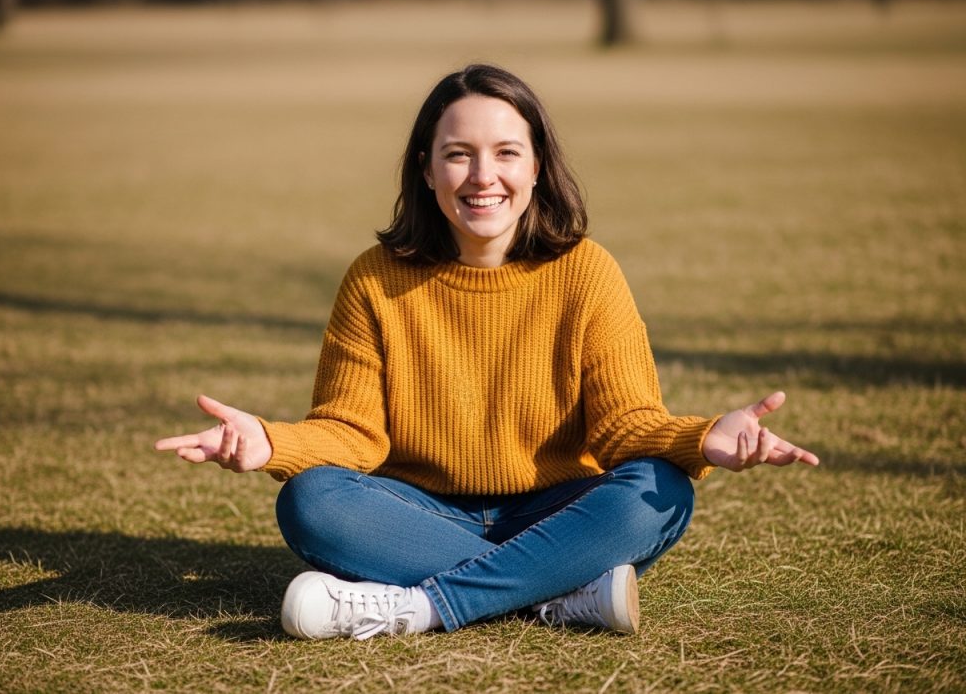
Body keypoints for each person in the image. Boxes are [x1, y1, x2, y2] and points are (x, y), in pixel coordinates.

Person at [154, 64, 819, 641]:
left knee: (658, 489)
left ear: (536, 166)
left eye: (506, 152)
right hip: (417, 511)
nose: (482, 176)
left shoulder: (588, 273)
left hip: (559, 505)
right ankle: (557, 590)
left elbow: (625, 428)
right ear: (426, 168)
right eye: (458, 154)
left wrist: (702, 438)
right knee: (311, 500)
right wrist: (271, 443)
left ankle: (418, 607)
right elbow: (350, 433)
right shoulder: (374, 280)